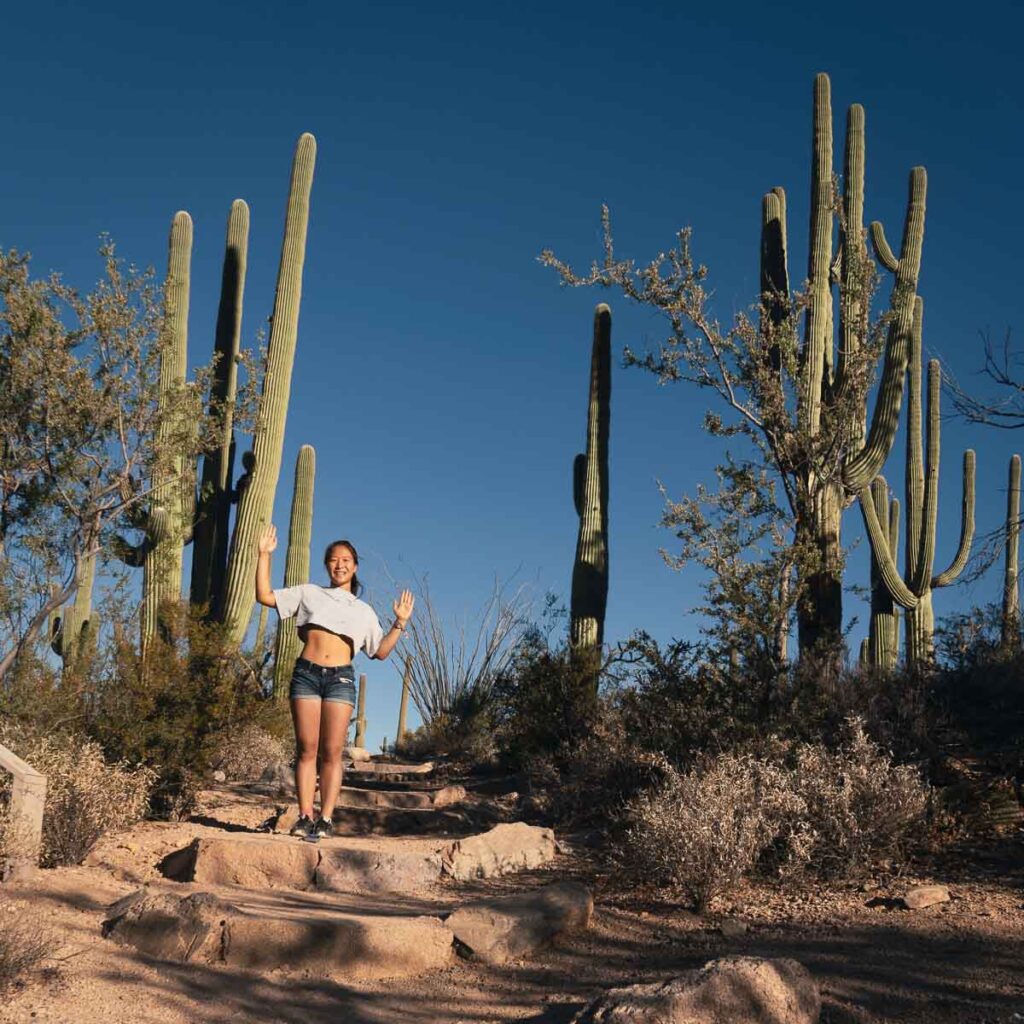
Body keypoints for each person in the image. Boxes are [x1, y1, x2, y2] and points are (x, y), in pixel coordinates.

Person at [255, 524, 413, 838]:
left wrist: (399, 623)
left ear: (354, 567)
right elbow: (264, 596)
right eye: (333, 559)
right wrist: (264, 555)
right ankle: (304, 815)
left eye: (345, 560)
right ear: (327, 565)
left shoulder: (364, 611)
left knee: (331, 751)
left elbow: (379, 652)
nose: (339, 565)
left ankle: (325, 819)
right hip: (307, 674)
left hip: (341, 678)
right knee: (306, 749)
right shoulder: (309, 593)